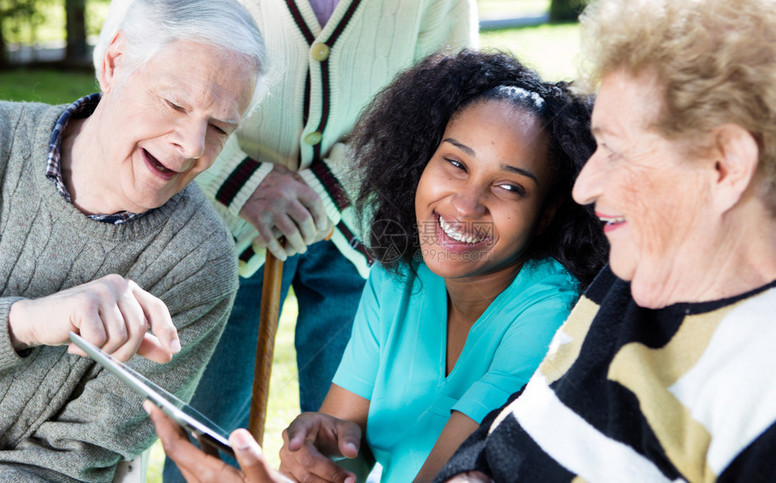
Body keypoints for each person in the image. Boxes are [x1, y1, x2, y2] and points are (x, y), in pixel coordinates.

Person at [434, 0, 776, 481]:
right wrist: (469, 472)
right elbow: (533, 412)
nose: (584, 187)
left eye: (615, 151)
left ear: (726, 167)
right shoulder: (641, 261)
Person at [145, 49, 609, 483]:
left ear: (548, 213)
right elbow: (350, 437)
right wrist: (324, 449)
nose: (466, 204)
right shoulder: (400, 276)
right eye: (455, 163)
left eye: (509, 188)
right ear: (420, 161)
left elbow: (448, 474)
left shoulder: (553, 314)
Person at [0, 0, 266, 480]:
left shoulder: (198, 262)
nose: (191, 146)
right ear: (114, 61)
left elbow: (70, 462)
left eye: (220, 128)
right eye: (175, 103)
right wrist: (26, 322)